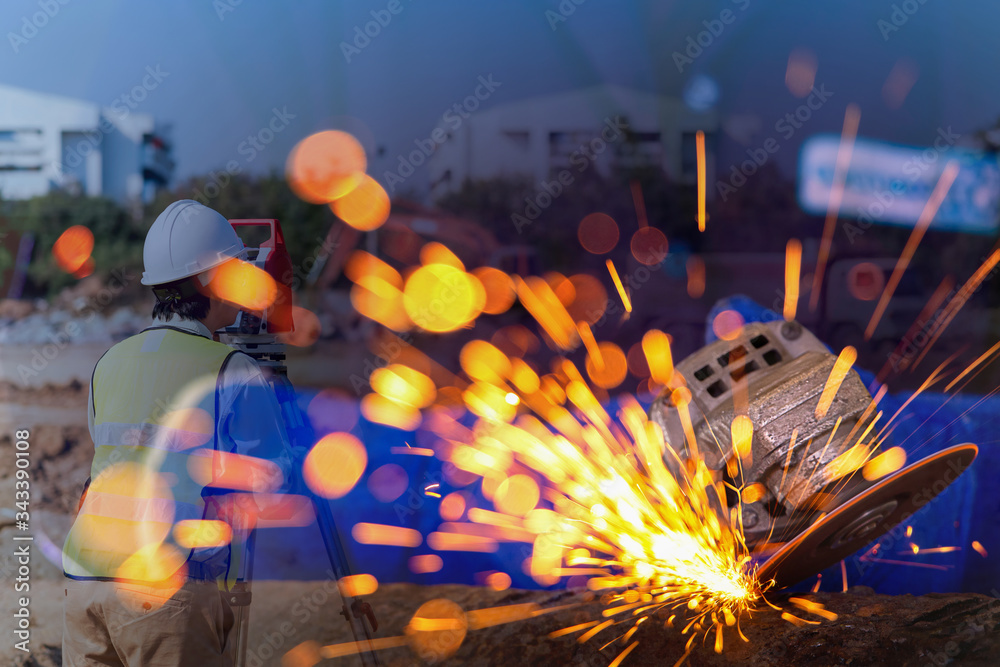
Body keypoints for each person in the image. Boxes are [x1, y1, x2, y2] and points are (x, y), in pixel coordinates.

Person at [62, 200, 293, 666]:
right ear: (210, 280)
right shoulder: (233, 371)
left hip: (84, 582)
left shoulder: (109, 362)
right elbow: (273, 489)